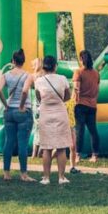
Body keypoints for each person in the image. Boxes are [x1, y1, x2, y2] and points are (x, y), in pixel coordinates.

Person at [0, 49, 34, 182]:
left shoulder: (6, 75)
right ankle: (23, 174)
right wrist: (22, 106)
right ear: (23, 61)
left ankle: (6, 173)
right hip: (23, 113)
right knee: (22, 144)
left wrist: (6, 105)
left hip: (9, 111)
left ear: (13, 61)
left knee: (9, 142)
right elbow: (25, 91)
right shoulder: (28, 75)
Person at [34, 55, 72, 185]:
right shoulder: (63, 79)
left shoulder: (39, 81)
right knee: (61, 147)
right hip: (60, 113)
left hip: (45, 114)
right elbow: (68, 96)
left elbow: (39, 98)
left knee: (47, 148)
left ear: (44, 66)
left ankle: (46, 177)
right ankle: (61, 177)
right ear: (55, 66)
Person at [72, 50, 101, 163]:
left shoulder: (78, 72)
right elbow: (97, 90)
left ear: (81, 59)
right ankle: (95, 155)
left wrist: (74, 102)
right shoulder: (96, 73)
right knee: (93, 130)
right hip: (92, 105)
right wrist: (93, 100)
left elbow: (76, 89)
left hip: (80, 104)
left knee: (80, 130)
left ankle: (77, 155)